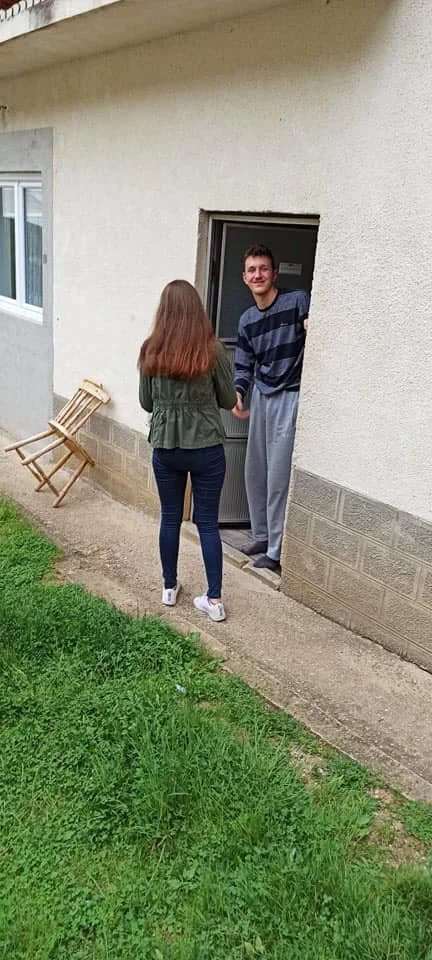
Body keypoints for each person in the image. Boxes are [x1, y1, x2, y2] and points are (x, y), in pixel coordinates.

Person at [138, 279, 238, 622]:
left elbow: (146, 402)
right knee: (207, 523)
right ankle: (214, 600)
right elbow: (228, 399)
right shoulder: (213, 350)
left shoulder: (151, 349)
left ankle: (169, 588)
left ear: (163, 310)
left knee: (170, 517)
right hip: (207, 446)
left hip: (166, 446)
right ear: (197, 310)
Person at [233, 244, 310, 574]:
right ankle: (262, 536)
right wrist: (239, 394)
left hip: (289, 394)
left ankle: (275, 551)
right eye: (252, 270)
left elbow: (315, 334)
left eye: (263, 268)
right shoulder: (247, 320)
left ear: (274, 273)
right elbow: (243, 364)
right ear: (244, 277)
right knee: (255, 471)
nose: (258, 275)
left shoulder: (297, 301)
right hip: (261, 395)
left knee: (278, 477)